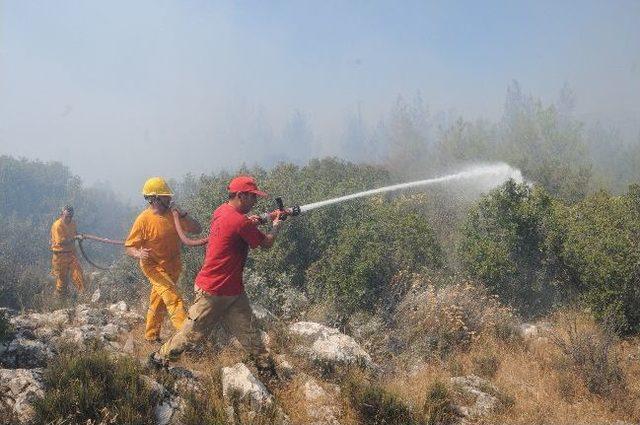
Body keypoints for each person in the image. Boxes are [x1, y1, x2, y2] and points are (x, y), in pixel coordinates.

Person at [149, 176, 286, 378]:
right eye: (252, 197)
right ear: (240, 195)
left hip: (233, 291)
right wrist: (276, 224)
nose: (255, 202)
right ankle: (157, 360)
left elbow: (237, 225)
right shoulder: (240, 222)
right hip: (213, 291)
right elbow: (266, 244)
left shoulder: (222, 210)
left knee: (250, 334)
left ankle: (268, 372)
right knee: (191, 334)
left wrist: (253, 220)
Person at [125, 177, 202, 343]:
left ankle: (151, 337)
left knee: (158, 299)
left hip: (173, 266)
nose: (170, 199)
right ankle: (187, 339)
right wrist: (138, 254)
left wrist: (184, 215)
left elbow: (197, 229)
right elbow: (129, 247)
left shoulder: (174, 215)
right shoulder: (143, 220)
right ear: (154, 199)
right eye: (165, 196)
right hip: (152, 266)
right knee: (173, 298)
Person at [50, 205, 85, 294]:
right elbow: (61, 242)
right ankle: (59, 300)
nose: (69, 218)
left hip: (71, 254)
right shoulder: (57, 225)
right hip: (60, 256)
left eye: (71, 216)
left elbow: (75, 233)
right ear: (62, 214)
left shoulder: (73, 223)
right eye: (67, 216)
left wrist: (80, 236)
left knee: (78, 274)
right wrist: (75, 237)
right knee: (62, 280)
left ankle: (83, 295)